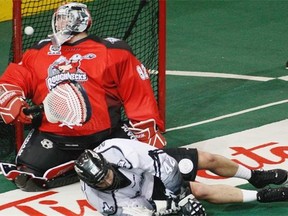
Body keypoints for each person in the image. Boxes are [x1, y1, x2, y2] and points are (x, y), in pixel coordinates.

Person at [0, 2, 166, 192]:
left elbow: (138, 94)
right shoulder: (39, 52)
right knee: (26, 180)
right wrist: (15, 103)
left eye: (65, 18)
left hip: (106, 136)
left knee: (144, 170)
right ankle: (81, 164)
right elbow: (12, 80)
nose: (60, 23)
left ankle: (88, 161)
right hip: (54, 137)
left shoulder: (113, 51)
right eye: (58, 19)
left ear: (80, 21)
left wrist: (146, 130)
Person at [74, 138, 288, 216]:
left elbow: (165, 166)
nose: (108, 182)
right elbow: (140, 210)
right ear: (91, 184)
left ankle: (255, 176)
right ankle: (262, 196)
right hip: (144, 190)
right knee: (200, 190)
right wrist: (173, 206)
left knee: (207, 159)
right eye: (100, 182)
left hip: (153, 167)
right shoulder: (101, 200)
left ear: (107, 164)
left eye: (107, 175)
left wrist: (181, 196)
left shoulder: (120, 151)